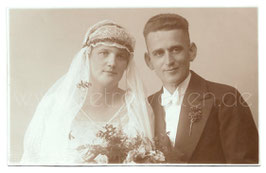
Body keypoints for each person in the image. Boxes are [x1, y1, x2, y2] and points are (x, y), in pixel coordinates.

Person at [20, 20, 154, 164]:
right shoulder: (56, 104)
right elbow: (32, 159)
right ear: (87, 56)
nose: (112, 62)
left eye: (120, 56)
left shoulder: (136, 107)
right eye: (104, 53)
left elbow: (149, 159)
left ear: (127, 64)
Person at [143, 13, 258, 163]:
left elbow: (245, 165)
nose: (169, 61)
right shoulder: (146, 106)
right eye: (159, 53)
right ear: (149, 61)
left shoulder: (227, 98)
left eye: (176, 50)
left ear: (191, 51)